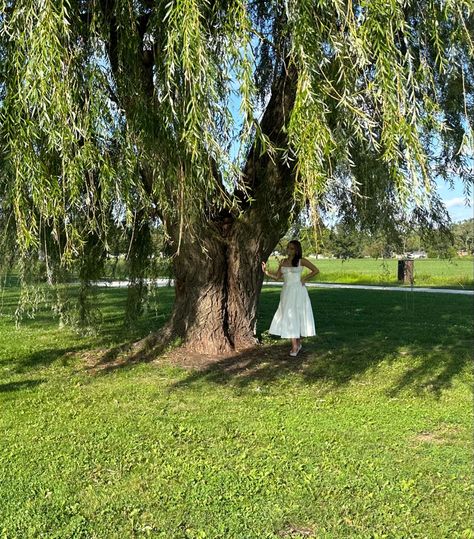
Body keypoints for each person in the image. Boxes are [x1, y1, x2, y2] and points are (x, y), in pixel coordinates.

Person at [262, 240, 319, 356]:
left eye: (292, 248)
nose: (289, 250)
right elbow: (278, 277)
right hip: (286, 292)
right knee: (289, 315)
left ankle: (296, 345)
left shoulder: (301, 261)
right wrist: (266, 272)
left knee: (297, 315)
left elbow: (315, 270)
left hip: (299, 291)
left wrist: (304, 279)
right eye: (288, 248)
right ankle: (296, 344)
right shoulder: (283, 262)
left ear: (297, 250)